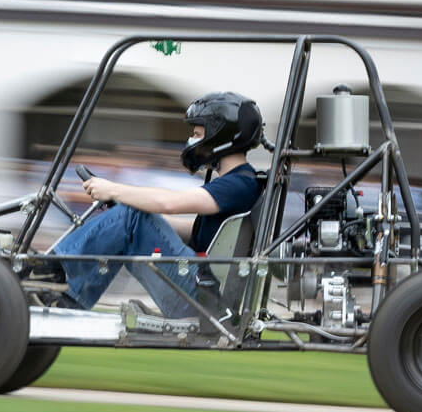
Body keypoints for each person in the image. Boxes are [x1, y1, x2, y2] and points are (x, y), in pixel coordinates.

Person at [47, 91, 265, 318]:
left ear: (220, 138)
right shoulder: (242, 182)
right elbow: (197, 229)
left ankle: (52, 269)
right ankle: (69, 299)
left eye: (197, 134)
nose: (192, 141)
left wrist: (114, 190)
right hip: (201, 290)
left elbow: (169, 203)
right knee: (134, 214)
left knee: (132, 216)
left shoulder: (238, 184)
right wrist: (140, 210)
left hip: (200, 296)